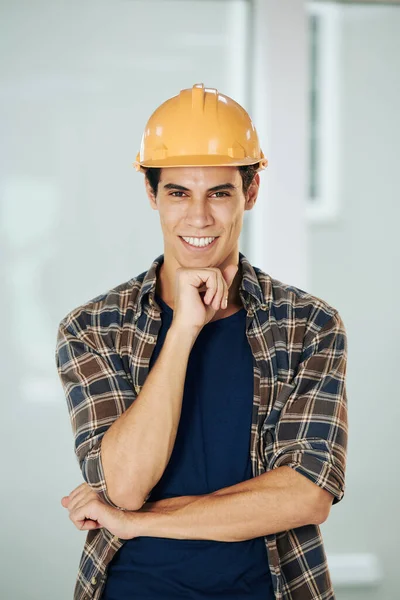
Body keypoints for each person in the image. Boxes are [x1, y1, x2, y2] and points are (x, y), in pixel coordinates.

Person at [55, 83, 348, 600]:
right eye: (178, 193)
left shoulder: (310, 324)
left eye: (218, 193)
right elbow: (123, 485)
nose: (198, 217)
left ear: (250, 194)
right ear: (151, 194)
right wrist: (184, 330)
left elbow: (306, 495)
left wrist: (140, 521)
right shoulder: (93, 328)